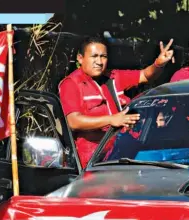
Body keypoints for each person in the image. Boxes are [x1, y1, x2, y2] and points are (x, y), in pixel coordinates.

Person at [59, 36, 175, 168]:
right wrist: (112, 120)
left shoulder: (113, 77)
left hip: (121, 154)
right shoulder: (71, 83)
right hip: (92, 161)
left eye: (103, 56)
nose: (99, 61)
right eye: (94, 56)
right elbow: (74, 121)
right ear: (80, 58)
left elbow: (145, 75)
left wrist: (159, 64)